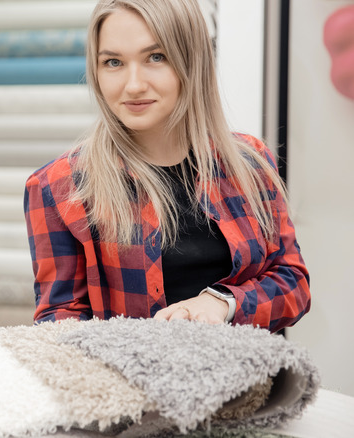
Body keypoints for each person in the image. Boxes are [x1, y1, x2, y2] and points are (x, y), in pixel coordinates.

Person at [23, 0, 310, 333]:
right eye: (113, 62)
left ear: (192, 60)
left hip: (249, 382)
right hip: (129, 384)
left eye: (155, 57)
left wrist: (222, 303)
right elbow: (59, 324)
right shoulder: (59, 187)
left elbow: (294, 284)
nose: (133, 85)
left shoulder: (250, 163)